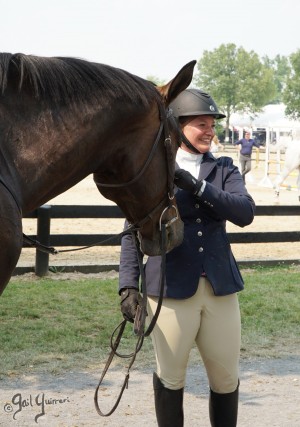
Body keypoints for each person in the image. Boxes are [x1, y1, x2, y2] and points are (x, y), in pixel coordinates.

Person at [119, 88, 255, 427]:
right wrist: (127, 286)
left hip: (220, 288)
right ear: (179, 128)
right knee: (170, 378)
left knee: (226, 379)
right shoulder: (154, 171)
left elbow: (244, 212)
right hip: (169, 288)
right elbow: (131, 232)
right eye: (201, 124)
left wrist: (196, 186)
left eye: (212, 124)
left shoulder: (224, 168)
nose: (211, 130)